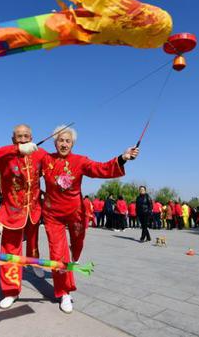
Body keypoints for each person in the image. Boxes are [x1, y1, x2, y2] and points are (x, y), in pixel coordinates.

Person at [41, 125, 138, 313]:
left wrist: (122, 158)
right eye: (60, 140)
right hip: (53, 215)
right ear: (54, 142)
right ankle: (65, 292)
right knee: (58, 253)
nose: (64, 144)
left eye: (68, 141)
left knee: (77, 244)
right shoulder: (46, 159)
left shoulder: (80, 161)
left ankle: (75, 257)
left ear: (72, 143)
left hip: (75, 212)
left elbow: (99, 169)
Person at [0, 124, 47, 309]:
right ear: (13, 139)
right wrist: (18, 150)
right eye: (19, 137)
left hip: (34, 209)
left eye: (26, 136)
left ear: (32, 137)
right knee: (10, 251)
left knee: (34, 241)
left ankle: (34, 262)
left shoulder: (39, 153)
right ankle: (11, 291)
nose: (23, 139)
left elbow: (55, 167)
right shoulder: (5, 156)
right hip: (13, 212)